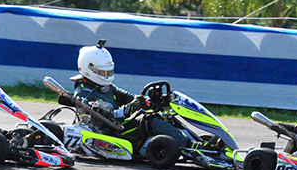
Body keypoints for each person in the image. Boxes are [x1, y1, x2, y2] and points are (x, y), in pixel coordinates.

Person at [71, 41, 219, 151]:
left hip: (120, 127)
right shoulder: (84, 92)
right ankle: (192, 147)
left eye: (108, 72)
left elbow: (132, 98)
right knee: (151, 121)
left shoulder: (107, 87)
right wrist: (132, 107)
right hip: (109, 133)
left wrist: (150, 101)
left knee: (166, 116)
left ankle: (198, 142)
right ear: (88, 68)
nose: (107, 76)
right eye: (103, 73)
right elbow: (101, 118)